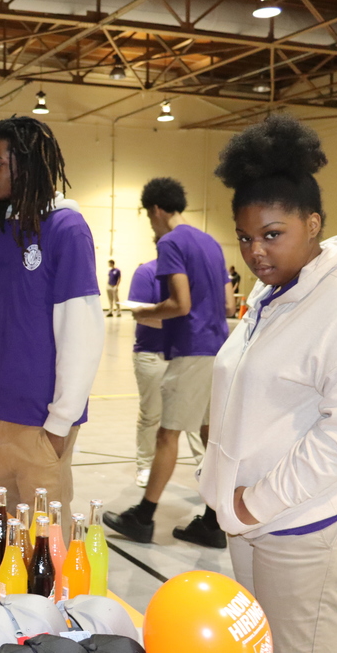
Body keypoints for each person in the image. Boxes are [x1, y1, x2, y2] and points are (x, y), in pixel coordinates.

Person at [201, 115, 337, 653]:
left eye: (272, 235)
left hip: (315, 524)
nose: (255, 252)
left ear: (313, 224)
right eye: (245, 237)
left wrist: (255, 501)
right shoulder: (275, 294)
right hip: (254, 517)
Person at [0, 116, 105, 515]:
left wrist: (60, 424)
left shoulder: (66, 228)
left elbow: (81, 329)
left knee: (46, 552)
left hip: (41, 423)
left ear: (26, 167)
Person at [104, 177, 234, 547]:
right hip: (219, 349)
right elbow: (227, 304)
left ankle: (143, 516)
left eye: (149, 217)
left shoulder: (171, 242)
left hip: (191, 350)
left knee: (167, 434)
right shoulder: (210, 242)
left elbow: (181, 303)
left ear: (157, 210)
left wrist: (146, 311)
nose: (152, 224)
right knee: (210, 439)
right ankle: (212, 521)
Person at [128, 258, 206, 489]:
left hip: (187, 355)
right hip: (153, 354)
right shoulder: (146, 272)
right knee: (151, 414)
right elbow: (141, 315)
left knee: (197, 415)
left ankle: (206, 469)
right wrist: (183, 325)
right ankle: (145, 465)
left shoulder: (194, 273)